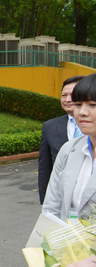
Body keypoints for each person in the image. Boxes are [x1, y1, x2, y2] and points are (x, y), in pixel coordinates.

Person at [43, 74, 96, 220]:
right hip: (67, 240)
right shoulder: (68, 149)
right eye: (78, 105)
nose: (82, 112)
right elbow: (52, 206)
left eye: (92, 105)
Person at [38, 75, 86, 204]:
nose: (67, 99)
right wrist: (45, 202)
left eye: (73, 95)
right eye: (64, 95)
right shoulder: (50, 126)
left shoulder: (91, 125)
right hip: (61, 198)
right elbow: (45, 168)